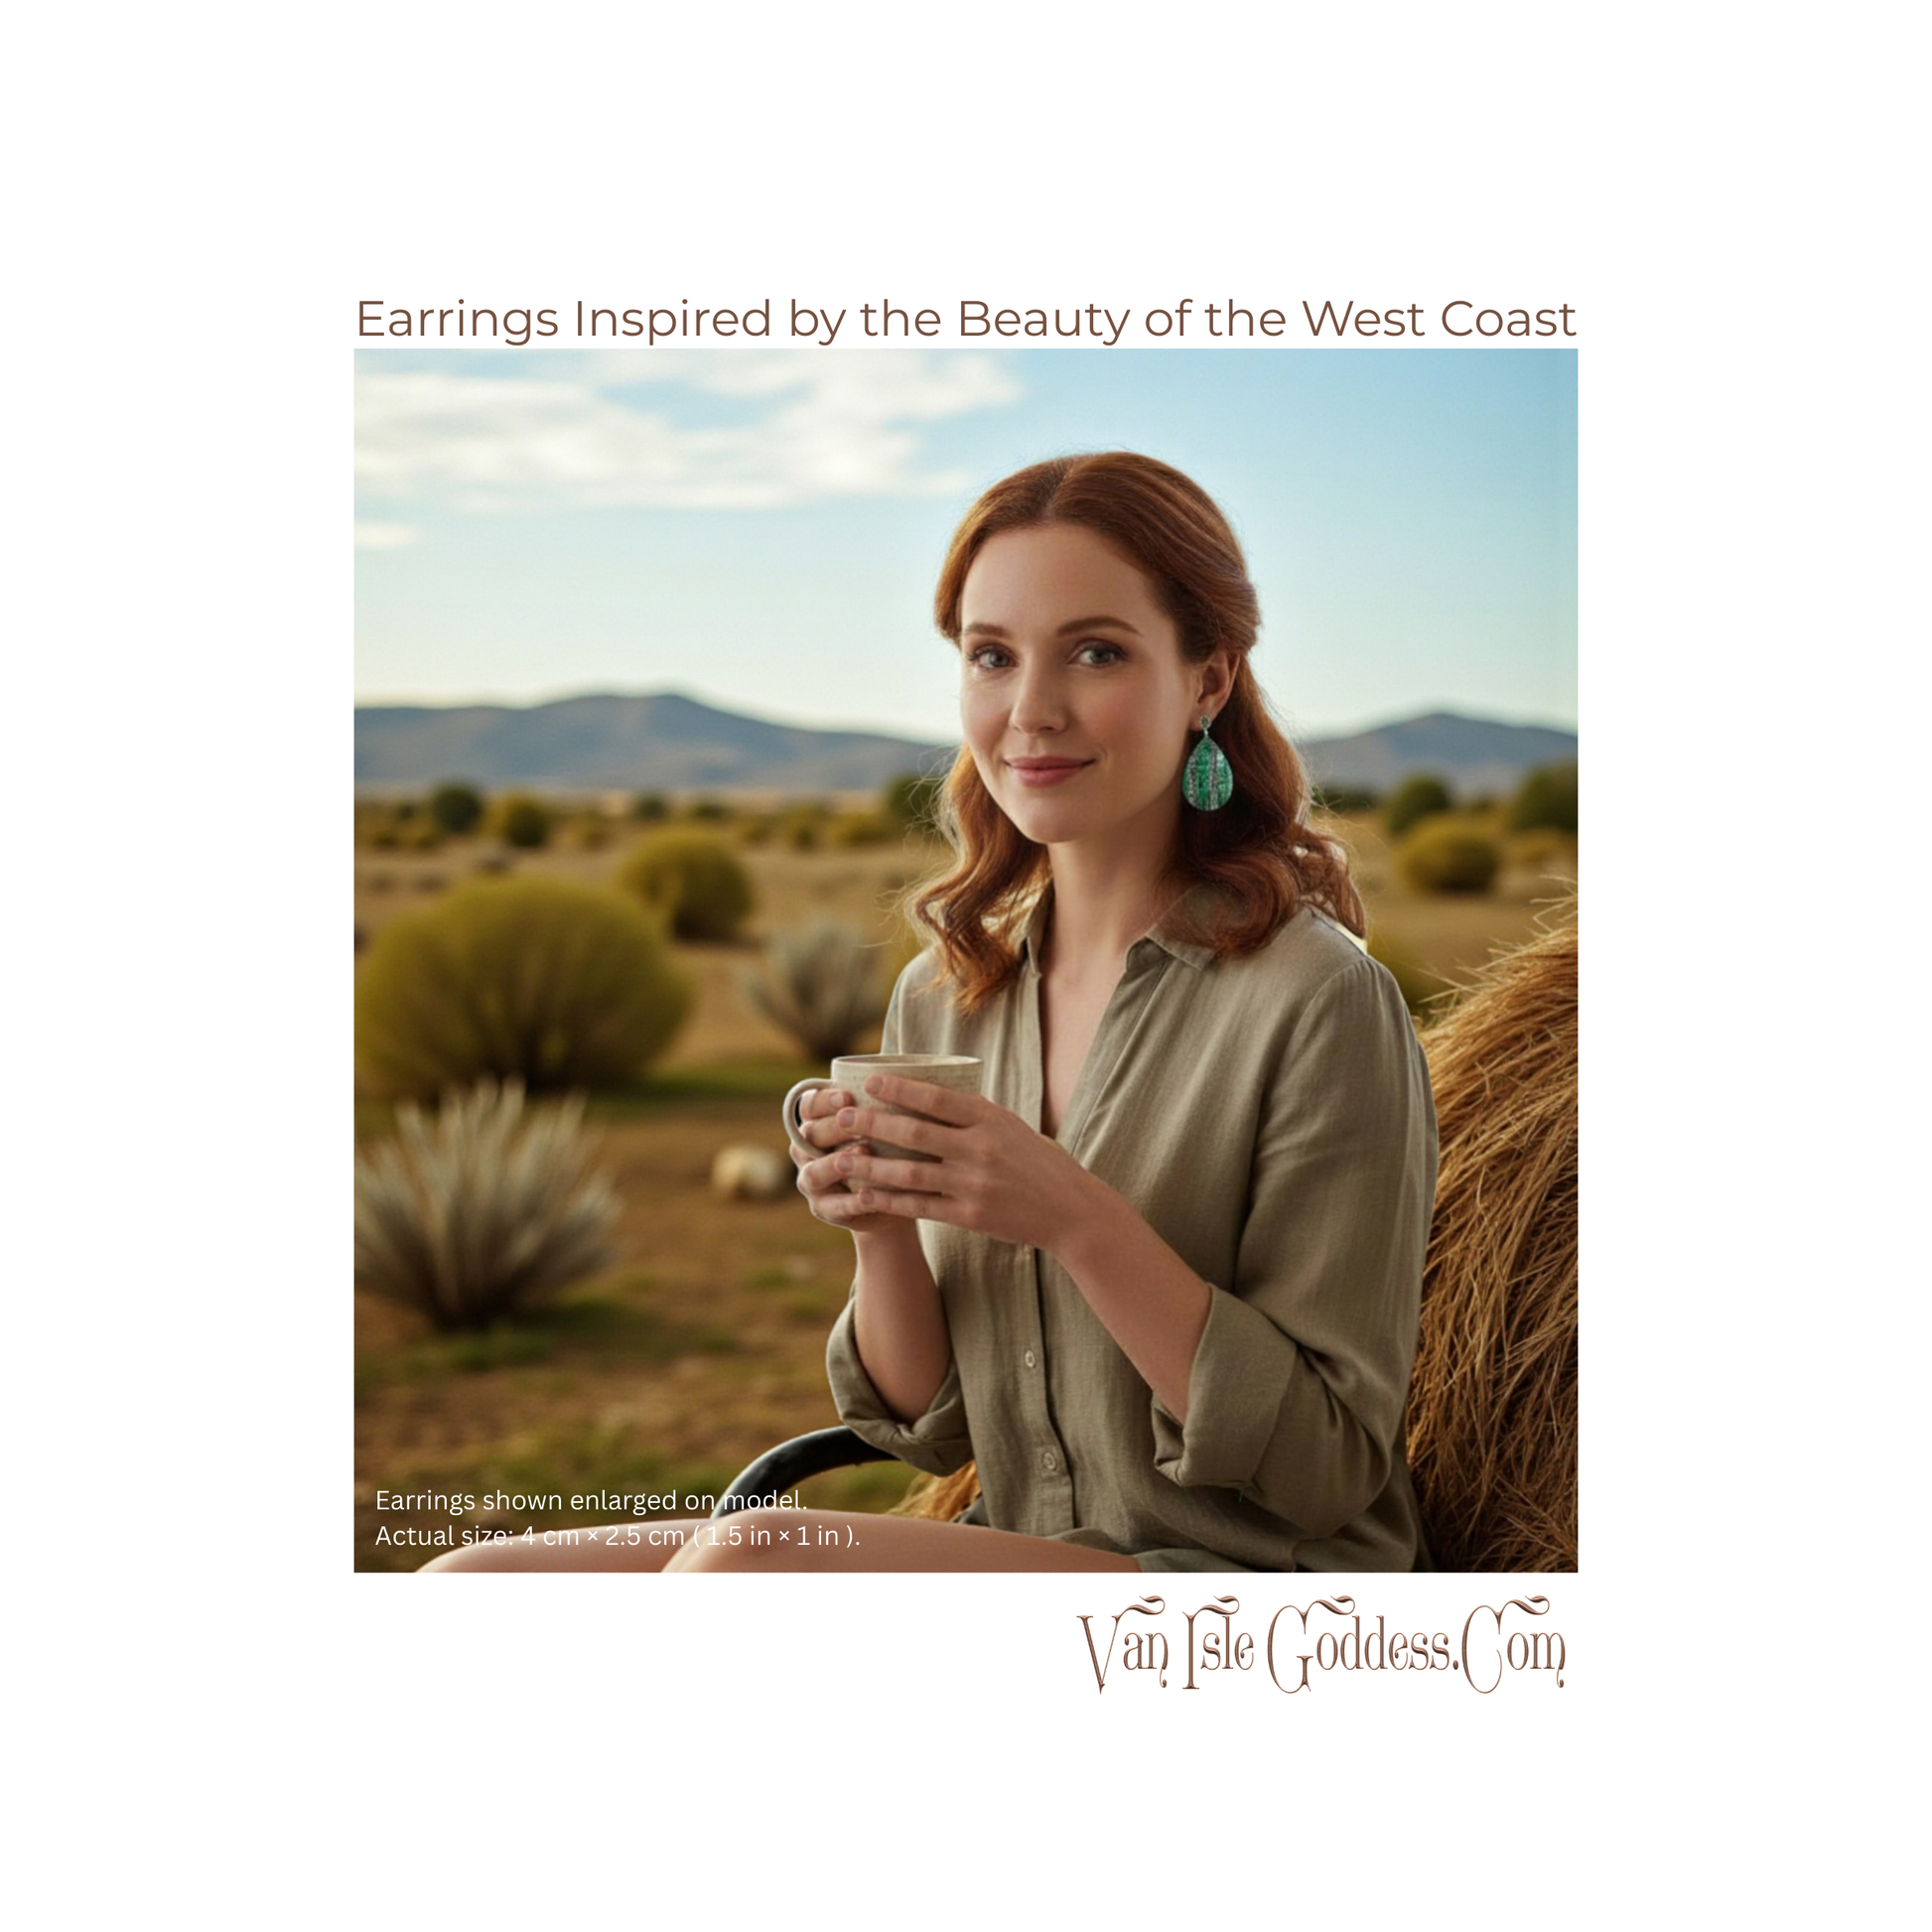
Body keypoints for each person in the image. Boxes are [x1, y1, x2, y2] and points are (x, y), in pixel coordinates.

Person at [424, 451, 1437, 1575]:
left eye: (1094, 651)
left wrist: (1073, 1216)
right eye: (991, 656)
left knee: (745, 1564)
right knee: (467, 1582)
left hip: (1243, 1591)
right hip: (1014, 1555)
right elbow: (928, 1422)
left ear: (1206, 678)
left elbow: (1329, 1461)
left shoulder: (1318, 998)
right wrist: (879, 1227)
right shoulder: (948, 990)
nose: (1030, 710)